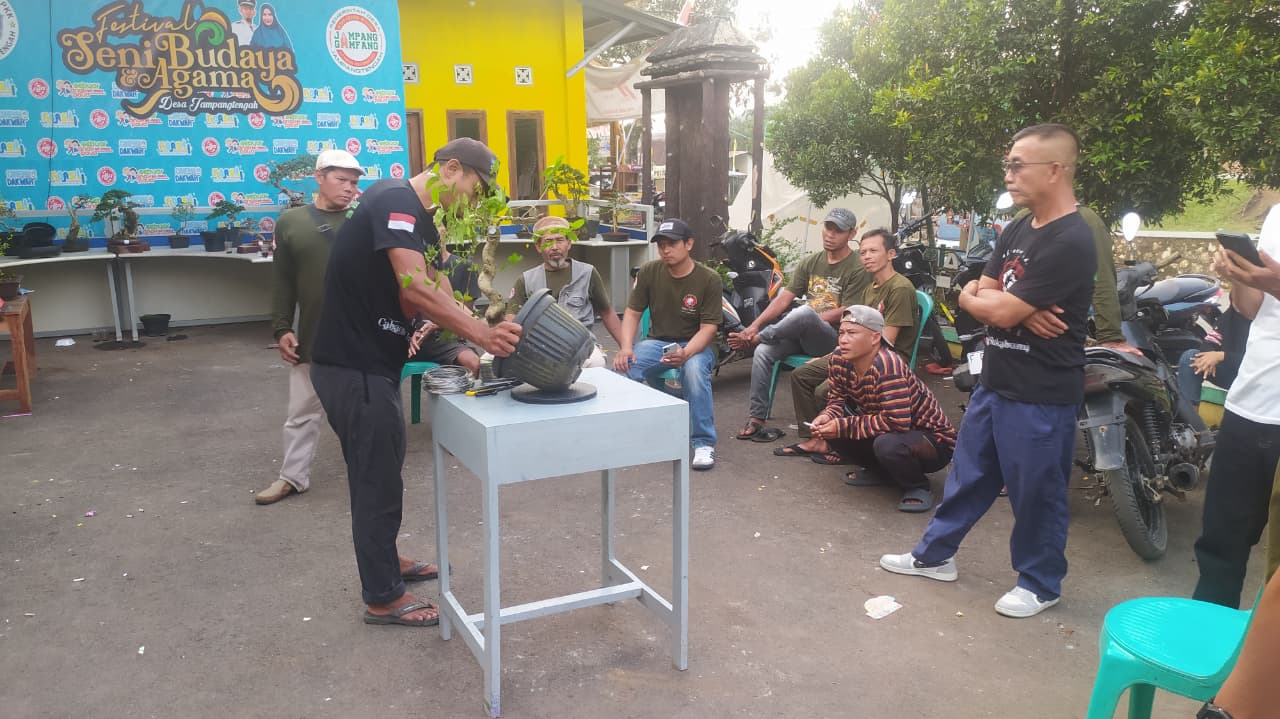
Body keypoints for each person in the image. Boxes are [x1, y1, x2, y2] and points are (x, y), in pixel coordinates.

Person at [879, 123, 1097, 619]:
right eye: (1008, 165)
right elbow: (979, 290)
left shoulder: (1071, 239)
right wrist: (999, 304)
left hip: (1042, 393)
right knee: (967, 477)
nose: (1009, 175)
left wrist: (1000, 306)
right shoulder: (1019, 227)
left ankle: (1040, 583)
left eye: (1018, 165)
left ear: (1055, 170)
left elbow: (996, 306)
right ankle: (935, 556)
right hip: (995, 381)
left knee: (1036, 493)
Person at [309, 137, 521, 627]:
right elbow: (414, 286)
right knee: (375, 482)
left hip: (373, 365)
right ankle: (382, 596)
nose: (473, 202)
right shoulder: (394, 200)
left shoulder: (421, 223)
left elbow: (437, 290)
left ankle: (386, 560)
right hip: (354, 366)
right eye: (475, 190)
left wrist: (465, 347)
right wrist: (481, 334)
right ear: (451, 169)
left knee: (384, 474)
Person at [255, 149, 363, 506]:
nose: (349, 188)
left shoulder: (364, 219)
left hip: (361, 338)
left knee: (362, 413)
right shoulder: (291, 222)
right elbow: (283, 280)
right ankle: (292, 477)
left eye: (354, 182)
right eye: (341, 180)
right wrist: (281, 327)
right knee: (301, 412)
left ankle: (368, 477)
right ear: (319, 177)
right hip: (314, 335)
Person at [1191, 208, 1280, 608]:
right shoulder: (1277, 215)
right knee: (1220, 545)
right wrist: (1238, 276)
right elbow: (1253, 309)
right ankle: (1206, 634)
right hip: (1248, 404)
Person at [775, 228, 919, 464]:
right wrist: (831, 356)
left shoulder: (899, 288)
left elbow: (887, 341)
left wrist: (841, 362)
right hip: (860, 352)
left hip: (886, 360)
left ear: (891, 254)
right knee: (801, 375)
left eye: (873, 251)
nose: (867, 257)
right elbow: (855, 333)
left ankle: (844, 446)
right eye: (862, 252)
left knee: (825, 391)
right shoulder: (869, 289)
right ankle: (816, 438)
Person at [728, 208, 870, 440]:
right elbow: (783, 299)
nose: (830, 234)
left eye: (838, 230)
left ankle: (759, 337)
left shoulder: (857, 267)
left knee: (803, 313)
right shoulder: (811, 262)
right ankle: (757, 418)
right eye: (828, 227)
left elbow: (848, 310)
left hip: (834, 339)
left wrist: (808, 320)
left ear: (852, 234)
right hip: (803, 333)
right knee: (763, 352)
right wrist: (754, 325)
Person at [808, 306, 956, 512]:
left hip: (932, 441)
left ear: (875, 337)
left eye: (852, 333)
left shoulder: (888, 365)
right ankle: (881, 472)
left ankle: (917, 486)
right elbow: (836, 399)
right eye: (841, 333)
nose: (843, 340)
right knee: (831, 427)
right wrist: (827, 416)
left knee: (886, 444)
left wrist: (843, 425)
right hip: (890, 430)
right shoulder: (839, 359)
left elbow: (897, 422)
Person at [614, 218, 722, 470]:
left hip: (699, 344)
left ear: (689, 244)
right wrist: (626, 346)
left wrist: (686, 353)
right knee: (624, 367)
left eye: (672, 244)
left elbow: (709, 328)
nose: (665, 250)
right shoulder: (649, 271)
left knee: (693, 371)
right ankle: (627, 430)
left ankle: (703, 442)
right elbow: (632, 312)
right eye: (661, 245)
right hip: (659, 342)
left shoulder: (709, 279)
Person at [508, 215, 624, 368]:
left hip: (580, 344)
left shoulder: (587, 273)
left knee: (596, 362)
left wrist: (626, 347)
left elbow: (607, 312)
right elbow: (511, 318)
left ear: (569, 243)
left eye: (560, 240)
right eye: (548, 241)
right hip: (541, 346)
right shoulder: (526, 280)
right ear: (538, 246)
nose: (555, 247)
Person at [1176, 300, 1250, 407]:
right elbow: (1211, 341)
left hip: (1256, 378)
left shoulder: (1266, 321)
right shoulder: (1232, 315)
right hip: (1232, 373)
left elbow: (1260, 362)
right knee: (1190, 358)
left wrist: (1221, 356)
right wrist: (1209, 357)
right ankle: (1190, 413)